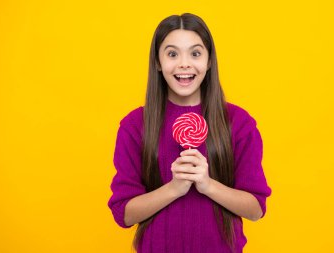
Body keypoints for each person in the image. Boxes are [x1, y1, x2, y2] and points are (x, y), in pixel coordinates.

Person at [108, 13, 272, 253]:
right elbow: (124, 214)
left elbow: (255, 209)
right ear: (157, 61)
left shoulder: (238, 122)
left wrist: (207, 185)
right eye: (172, 54)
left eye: (195, 53)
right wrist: (174, 188)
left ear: (208, 61)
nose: (184, 64)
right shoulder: (135, 125)